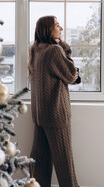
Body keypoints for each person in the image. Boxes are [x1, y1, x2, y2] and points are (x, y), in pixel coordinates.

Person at [28, 16, 80, 187]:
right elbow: (71, 74)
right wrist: (64, 46)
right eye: (57, 26)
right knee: (65, 163)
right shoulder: (54, 50)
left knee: (39, 163)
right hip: (56, 114)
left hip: (40, 114)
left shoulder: (36, 50)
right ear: (48, 30)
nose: (61, 29)